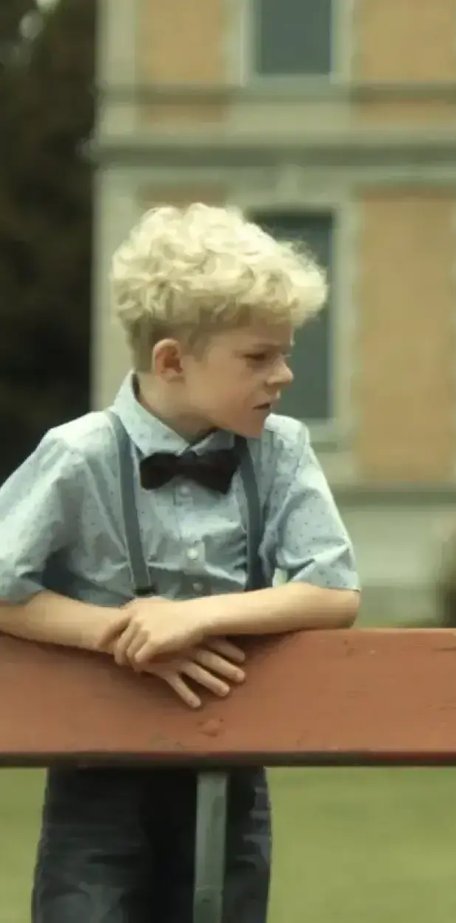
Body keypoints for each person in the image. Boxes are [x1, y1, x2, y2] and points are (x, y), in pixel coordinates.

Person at [0, 203, 362, 922]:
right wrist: (120, 634)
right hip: (97, 765)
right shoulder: (80, 455)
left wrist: (190, 617)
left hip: (230, 763)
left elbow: (333, 590)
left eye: (285, 352)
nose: (284, 375)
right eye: (259, 357)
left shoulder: (281, 450)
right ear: (171, 360)